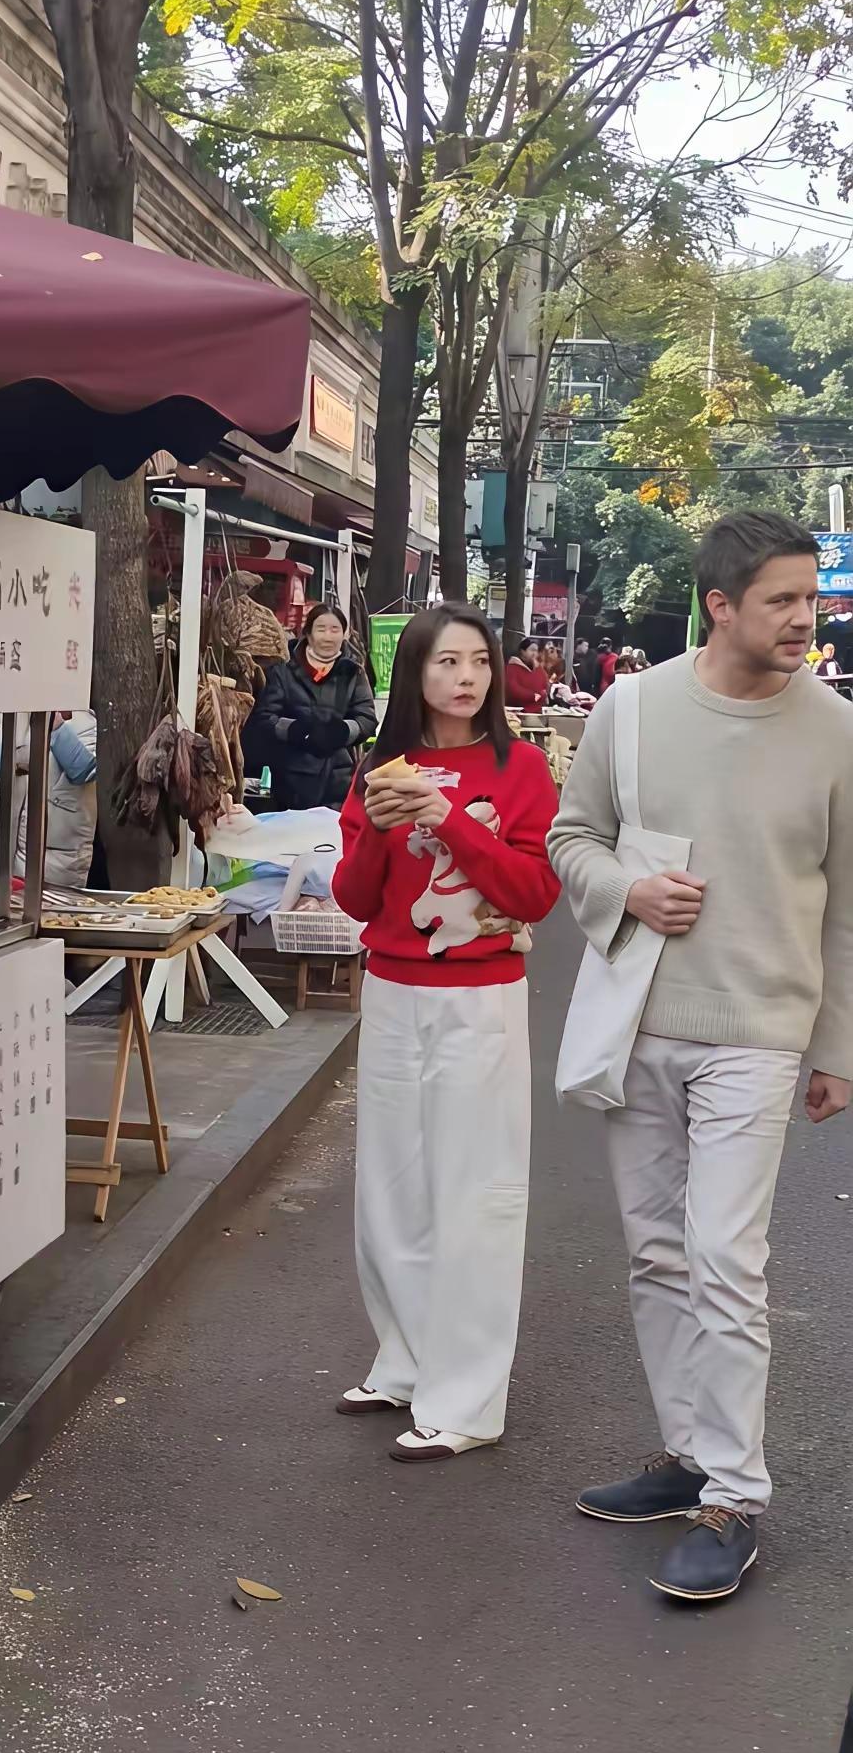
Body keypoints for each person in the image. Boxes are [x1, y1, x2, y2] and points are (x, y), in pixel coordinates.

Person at [549, 510, 853, 1602]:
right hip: (643, 1021)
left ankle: (734, 1493)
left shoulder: (834, 732)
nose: (802, 620)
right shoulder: (630, 711)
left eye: (807, 600)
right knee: (657, 1255)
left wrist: (840, 1046)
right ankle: (685, 1456)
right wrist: (625, 889)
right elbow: (568, 838)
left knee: (726, 1257)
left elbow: (849, 908)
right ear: (720, 605)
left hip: (761, 1035)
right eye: (781, 600)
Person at [332, 604, 560, 1462]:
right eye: (445, 663)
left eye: (478, 662)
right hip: (392, 989)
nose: (465, 678)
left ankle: (467, 1401)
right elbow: (356, 899)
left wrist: (447, 818)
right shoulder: (377, 769)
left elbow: (535, 893)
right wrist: (383, 829)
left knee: (477, 1191)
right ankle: (405, 1361)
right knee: (390, 1184)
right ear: (413, 676)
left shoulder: (523, 766)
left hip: (481, 994)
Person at [251, 604, 376, 811]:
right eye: (321, 629)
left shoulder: (353, 671)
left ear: (343, 634)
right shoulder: (284, 670)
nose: (328, 637)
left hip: (339, 779)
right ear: (308, 634)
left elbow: (367, 718)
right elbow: (265, 717)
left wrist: (343, 731)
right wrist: (296, 730)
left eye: (335, 630)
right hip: (290, 780)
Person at [0, 710, 97, 888]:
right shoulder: (18, 714)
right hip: (8, 843)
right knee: (4, 907)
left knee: (54, 913)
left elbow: (84, 771)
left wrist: (56, 727)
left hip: (55, 854)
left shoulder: (85, 722)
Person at [504, 637, 550, 713]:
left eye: (536, 650)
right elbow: (513, 689)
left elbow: (545, 685)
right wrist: (534, 696)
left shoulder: (538, 668)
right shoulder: (511, 668)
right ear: (523, 651)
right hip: (517, 712)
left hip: (537, 711)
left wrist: (543, 694)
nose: (534, 653)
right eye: (532, 650)